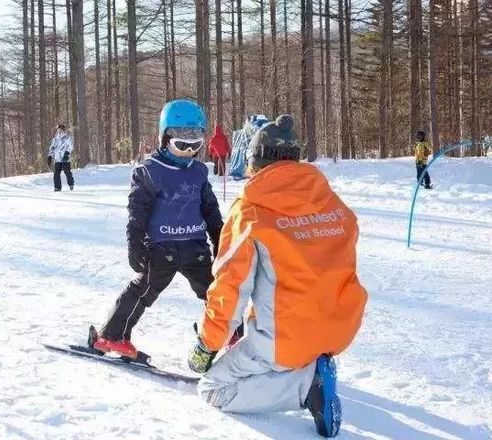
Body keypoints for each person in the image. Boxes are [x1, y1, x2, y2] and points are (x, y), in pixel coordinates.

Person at [187, 115, 367, 438]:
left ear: (256, 162)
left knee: (212, 386)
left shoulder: (250, 211)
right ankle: (309, 365)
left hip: (286, 340)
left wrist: (206, 345)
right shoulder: (330, 201)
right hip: (340, 329)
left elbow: (229, 290)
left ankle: (304, 387)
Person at [92, 99, 224, 358]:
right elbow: (137, 211)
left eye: (195, 139)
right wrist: (135, 242)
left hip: (196, 248)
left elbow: (210, 209)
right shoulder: (149, 171)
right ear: (165, 137)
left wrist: (220, 238)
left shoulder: (198, 171)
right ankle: (112, 336)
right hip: (162, 249)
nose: (189, 147)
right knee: (141, 291)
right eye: (181, 140)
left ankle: (232, 336)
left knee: (219, 292)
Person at [48, 124, 75, 191]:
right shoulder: (55, 139)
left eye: (60, 129)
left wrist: (67, 153)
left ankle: (71, 184)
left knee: (67, 172)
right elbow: (52, 148)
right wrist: (50, 156)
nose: (59, 131)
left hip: (65, 158)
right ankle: (57, 187)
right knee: (56, 173)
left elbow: (70, 146)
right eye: (58, 129)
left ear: (63, 130)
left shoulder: (67, 138)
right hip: (57, 159)